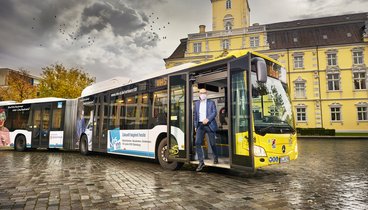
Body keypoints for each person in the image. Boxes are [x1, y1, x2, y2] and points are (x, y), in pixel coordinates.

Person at [194, 88, 218, 172]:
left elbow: (214, 112)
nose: (202, 94)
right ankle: (201, 162)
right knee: (197, 142)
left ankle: (215, 157)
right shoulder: (196, 103)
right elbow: (195, 116)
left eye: (204, 93)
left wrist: (208, 119)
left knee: (212, 143)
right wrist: (195, 126)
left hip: (209, 124)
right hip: (200, 125)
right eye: (201, 93)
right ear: (199, 94)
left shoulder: (211, 103)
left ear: (206, 94)